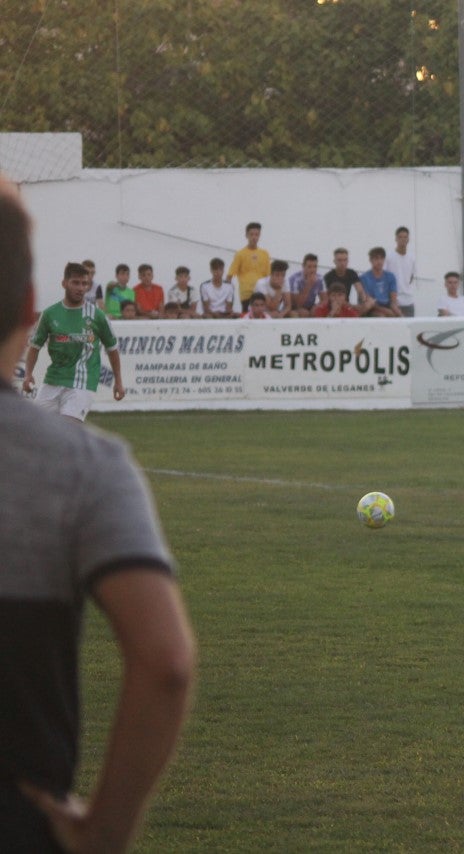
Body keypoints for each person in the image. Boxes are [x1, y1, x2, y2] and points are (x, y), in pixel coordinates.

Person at [0, 178, 196, 853]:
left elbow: (111, 350)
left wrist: (116, 377)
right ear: (33, 301)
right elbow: (166, 661)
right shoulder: (88, 469)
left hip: (75, 390)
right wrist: (105, 831)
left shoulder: (92, 323)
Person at [22, 261, 127, 420]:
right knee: (36, 427)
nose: (80, 288)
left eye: (84, 284)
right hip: (53, 379)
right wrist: (28, 374)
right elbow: (34, 347)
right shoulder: (50, 314)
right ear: (64, 283)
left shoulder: (97, 316)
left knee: (68, 427)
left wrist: (118, 381)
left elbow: (112, 349)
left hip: (82, 383)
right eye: (76, 283)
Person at [227, 221, 271, 314]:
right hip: (247, 294)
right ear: (246, 235)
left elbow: (269, 276)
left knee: (263, 318)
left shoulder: (265, 254)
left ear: (259, 236)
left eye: (256, 234)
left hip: (262, 294)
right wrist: (228, 297)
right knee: (247, 318)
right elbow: (230, 275)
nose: (254, 237)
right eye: (251, 234)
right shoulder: (240, 254)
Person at [358, 247, 401, 317]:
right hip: (372, 309)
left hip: (388, 307)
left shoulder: (390, 276)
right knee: (381, 316)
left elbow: (393, 300)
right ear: (370, 260)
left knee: (399, 314)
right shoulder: (364, 278)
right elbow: (369, 302)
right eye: (376, 258)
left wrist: (399, 315)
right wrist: (387, 311)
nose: (379, 261)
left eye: (382, 258)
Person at [324, 248, 369, 314]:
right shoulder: (329, 276)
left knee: (368, 304)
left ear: (348, 261)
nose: (342, 263)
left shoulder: (352, 273)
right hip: (334, 304)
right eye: (339, 260)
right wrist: (353, 306)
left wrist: (365, 301)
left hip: (347, 305)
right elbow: (331, 297)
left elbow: (360, 290)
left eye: (345, 260)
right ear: (334, 261)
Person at [385, 226, 417, 317]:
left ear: (408, 239)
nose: (403, 239)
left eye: (405, 237)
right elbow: (384, 277)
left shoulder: (412, 257)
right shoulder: (389, 256)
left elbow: (411, 278)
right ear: (396, 239)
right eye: (400, 237)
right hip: (393, 303)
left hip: (408, 302)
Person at [287, 253, 327, 317]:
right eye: (309, 267)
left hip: (310, 306)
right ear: (303, 266)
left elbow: (324, 300)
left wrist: (317, 306)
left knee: (317, 311)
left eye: (315, 267)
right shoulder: (295, 279)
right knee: (304, 313)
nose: (312, 270)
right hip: (293, 308)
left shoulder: (320, 279)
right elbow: (297, 304)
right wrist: (309, 285)